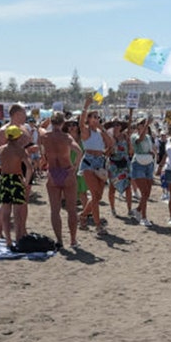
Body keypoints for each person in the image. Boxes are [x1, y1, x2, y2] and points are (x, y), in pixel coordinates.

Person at [0, 126, 33, 249]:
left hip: (4, 179)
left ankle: (8, 241)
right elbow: (30, 168)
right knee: (17, 213)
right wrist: (26, 182)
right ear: (18, 136)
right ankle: (18, 238)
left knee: (5, 212)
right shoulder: (21, 150)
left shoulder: (1, 149)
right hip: (16, 180)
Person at [41, 113, 82, 249]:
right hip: (67, 171)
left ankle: (59, 240)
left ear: (52, 122)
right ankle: (73, 240)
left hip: (53, 172)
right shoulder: (66, 137)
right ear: (63, 123)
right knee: (71, 209)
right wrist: (75, 167)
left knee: (55, 210)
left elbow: (39, 129)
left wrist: (45, 159)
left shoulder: (45, 137)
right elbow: (79, 151)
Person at [77, 99, 113, 236]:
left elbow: (110, 143)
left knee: (98, 196)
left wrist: (103, 129)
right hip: (89, 162)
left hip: (100, 162)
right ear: (89, 119)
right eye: (94, 117)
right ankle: (98, 226)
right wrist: (85, 106)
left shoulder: (99, 132)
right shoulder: (86, 132)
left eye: (98, 117)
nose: (97, 119)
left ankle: (83, 216)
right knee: (94, 194)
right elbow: (81, 124)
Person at [129, 118, 156, 227]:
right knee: (144, 192)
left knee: (147, 192)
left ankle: (138, 210)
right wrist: (146, 125)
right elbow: (140, 139)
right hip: (138, 164)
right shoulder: (134, 136)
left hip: (148, 163)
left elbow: (147, 146)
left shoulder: (149, 137)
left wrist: (151, 153)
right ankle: (143, 217)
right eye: (142, 123)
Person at [106, 120, 133, 218]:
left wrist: (129, 143)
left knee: (128, 187)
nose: (116, 126)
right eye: (114, 125)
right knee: (112, 187)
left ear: (121, 126)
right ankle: (113, 209)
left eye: (118, 124)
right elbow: (106, 153)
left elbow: (130, 152)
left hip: (125, 164)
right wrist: (110, 148)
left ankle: (130, 209)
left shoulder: (125, 137)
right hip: (113, 165)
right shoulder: (109, 138)